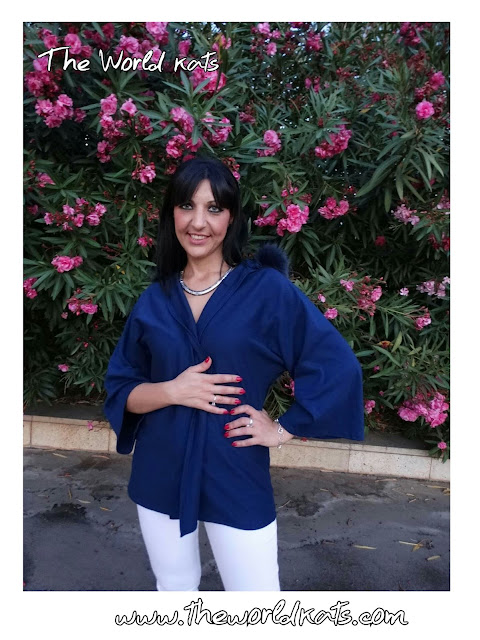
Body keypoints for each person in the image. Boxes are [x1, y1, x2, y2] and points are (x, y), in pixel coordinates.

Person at [104, 156, 364, 592]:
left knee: (256, 601)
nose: (198, 222)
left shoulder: (266, 291)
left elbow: (336, 366)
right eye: (187, 206)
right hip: (160, 468)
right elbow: (121, 389)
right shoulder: (155, 299)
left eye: (214, 208)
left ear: (232, 217)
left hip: (235, 467)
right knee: (174, 589)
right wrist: (172, 390)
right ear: (172, 214)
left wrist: (281, 430)